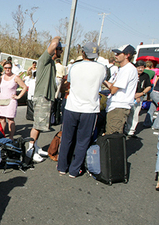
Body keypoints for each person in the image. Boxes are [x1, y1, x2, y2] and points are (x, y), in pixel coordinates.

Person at [57, 42, 106, 178]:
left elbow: (69, 83)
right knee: (83, 140)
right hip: (90, 109)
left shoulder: (74, 66)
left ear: (83, 53)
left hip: (72, 106)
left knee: (67, 137)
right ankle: (75, 169)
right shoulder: (102, 68)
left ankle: (62, 166)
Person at [27, 36, 63, 163]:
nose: (61, 52)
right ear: (54, 50)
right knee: (37, 125)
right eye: (60, 49)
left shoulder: (52, 63)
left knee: (41, 125)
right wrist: (57, 38)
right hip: (41, 97)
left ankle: (35, 146)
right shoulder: (44, 59)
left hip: (46, 97)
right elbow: (53, 44)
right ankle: (30, 150)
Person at [103, 44, 138, 134]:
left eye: (118, 54)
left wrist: (104, 81)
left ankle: (114, 149)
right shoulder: (122, 69)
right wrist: (104, 81)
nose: (116, 56)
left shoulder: (128, 69)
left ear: (127, 55)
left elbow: (114, 89)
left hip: (119, 107)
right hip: (116, 106)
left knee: (112, 135)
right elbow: (113, 85)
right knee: (110, 133)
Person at [0, 61, 27, 140]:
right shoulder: (2, 77)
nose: (7, 69)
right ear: (3, 68)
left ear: (11, 68)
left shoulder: (15, 77)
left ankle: (11, 137)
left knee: (10, 120)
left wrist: (18, 96)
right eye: (6, 68)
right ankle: (2, 136)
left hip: (11, 101)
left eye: (9, 68)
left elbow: (24, 87)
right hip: (2, 100)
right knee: (2, 119)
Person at [124, 60, 151, 137]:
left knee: (135, 114)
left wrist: (141, 94)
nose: (140, 69)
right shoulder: (132, 74)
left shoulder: (145, 76)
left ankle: (131, 130)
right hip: (128, 96)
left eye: (142, 67)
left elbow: (148, 86)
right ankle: (124, 128)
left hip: (139, 97)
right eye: (138, 67)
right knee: (125, 113)